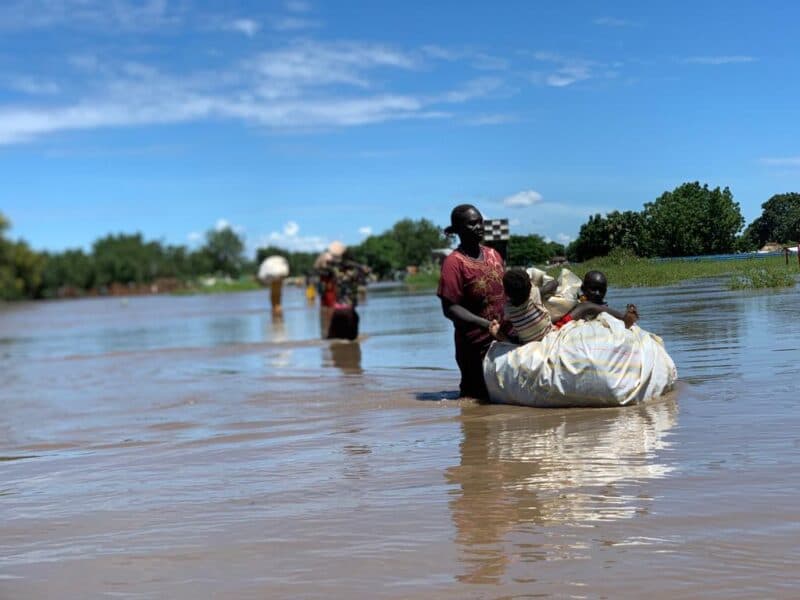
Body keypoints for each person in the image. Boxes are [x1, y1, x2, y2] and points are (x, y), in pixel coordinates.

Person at [438, 204, 511, 400]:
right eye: (472, 224)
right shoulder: (453, 263)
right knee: (475, 403)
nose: (479, 227)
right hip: (474, 348)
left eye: (480, 222)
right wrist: (486, 325)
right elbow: (450, 308)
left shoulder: (494, 255)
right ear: (459, 229)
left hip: (503, 340)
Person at [489, 268, 558, 344]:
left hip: (527, 343)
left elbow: (506, 320)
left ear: (506, 293)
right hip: (548, 335)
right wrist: (556, 281)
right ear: (530, 287)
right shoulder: (534, 294)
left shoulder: (507, 309)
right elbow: (550, 286)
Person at [553, 270, 639, 329]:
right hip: (558, 327)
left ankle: (625, 318)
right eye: (593, 289)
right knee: (587, 306)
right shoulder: (575, 301)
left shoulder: (604, 308)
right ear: (583, 288)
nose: (598, 293)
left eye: (601, 290)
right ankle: (624, 318)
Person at [325, 250, 370, 340]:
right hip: (349, 311)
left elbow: (327, 266)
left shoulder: (336, 271)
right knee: (352, 343)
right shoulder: (356, 272)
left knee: (333, 341)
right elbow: (364, 281)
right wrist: (361, 268)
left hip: (336, 311)